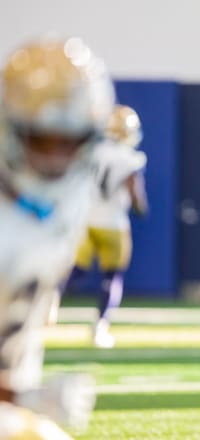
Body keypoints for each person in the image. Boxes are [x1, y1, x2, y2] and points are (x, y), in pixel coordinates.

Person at [0, 36, 115, 438]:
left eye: (72, 141)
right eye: (42, 139)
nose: (56, 159)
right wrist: (16, 397)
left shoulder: (69, 194)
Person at [67, 104, 148, 348]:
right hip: (113, 223)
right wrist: (141, 208)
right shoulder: (131, 158)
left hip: (87, 220)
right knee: (111, 277)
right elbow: (136, 196)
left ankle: (48, 303)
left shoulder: (92, 151)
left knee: (76, 271)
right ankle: (101, 325)